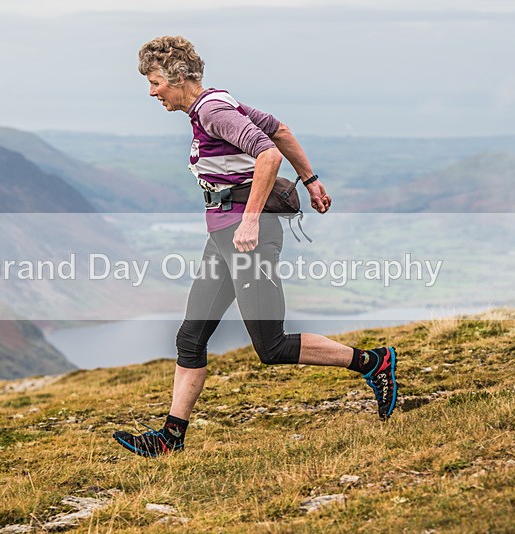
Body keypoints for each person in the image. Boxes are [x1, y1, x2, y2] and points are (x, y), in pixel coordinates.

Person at [113, 36, 398, 458]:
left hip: (248, 237)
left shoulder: (213, 111)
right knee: (190, 337)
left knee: (271, 345)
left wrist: (249, 219)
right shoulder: (213, 105)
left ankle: (375, 363)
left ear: (177, 77)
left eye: (155, 82)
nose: (152, 92)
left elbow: (268, 155)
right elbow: (280, 130)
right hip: (223, 238)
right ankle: (171, 439)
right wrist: (311, 181)